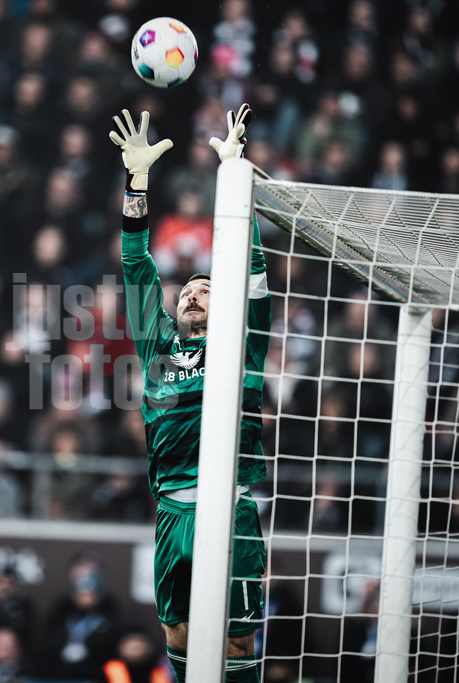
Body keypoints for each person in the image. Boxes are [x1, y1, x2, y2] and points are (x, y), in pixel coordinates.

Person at [109, 104, 270, 683]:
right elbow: (135, 264)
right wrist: (138, 181)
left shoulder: (239, 345)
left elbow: (251, 276)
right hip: (173, 508)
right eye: (187, 292)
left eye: (206, 288)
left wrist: (236, 177)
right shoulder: (157, 352)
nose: (193, 295)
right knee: (175, 634)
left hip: (232, 507)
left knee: (235, 640)